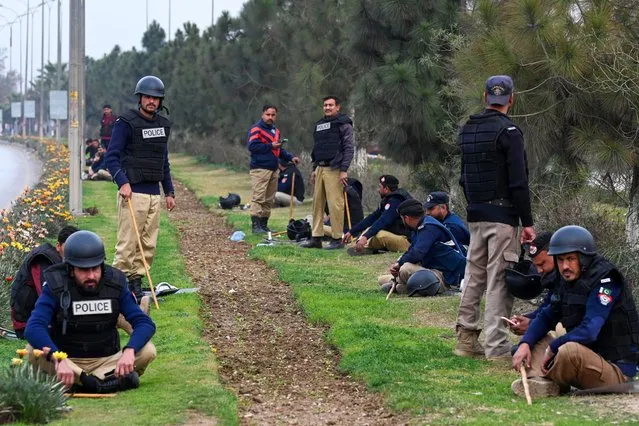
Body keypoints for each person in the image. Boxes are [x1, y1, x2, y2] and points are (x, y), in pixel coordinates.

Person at [454, 75, 536, 361]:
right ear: (511, 98)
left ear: (485, 96)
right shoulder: (510, 131)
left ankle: (465, 340)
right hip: (502, 217)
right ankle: (497, 346)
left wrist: (474, 206)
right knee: (500, 279)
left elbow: (463, 177)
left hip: (475, 214)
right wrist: (527, 222)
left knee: (473, 276)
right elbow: (519, 182)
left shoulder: (468, 129)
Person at [511, 225, 639, 397]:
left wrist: (553, 347)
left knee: (568, 350)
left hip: (616, 370)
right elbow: (547, 316)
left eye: (571, 259)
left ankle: (545, 380)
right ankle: (546, 382)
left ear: (584, 258)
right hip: (587, 359)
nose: (565, 266)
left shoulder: (606, 280)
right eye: (561, 260)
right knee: (534, 341)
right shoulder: (566, 280)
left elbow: (589, 331)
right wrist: (525, 343)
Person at [24, 231, 156, 394]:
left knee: (147, 350)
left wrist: (129, 351)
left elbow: (144, 323)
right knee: (32, 351)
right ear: (71, 269)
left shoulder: (115, 281)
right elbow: (34, 327)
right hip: (67, 360)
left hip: (106, 360)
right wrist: (58, 357)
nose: (91, 275)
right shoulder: (55, 283)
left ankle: (81, 383)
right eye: (84, 270)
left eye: (95, 268)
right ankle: (105, 382)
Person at [105, 75, 176, 302]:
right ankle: (118, 287)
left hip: (154, 193)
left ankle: (136, 285)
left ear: (160, 100)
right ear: (140, 98)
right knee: (127, 243)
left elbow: (163, 162)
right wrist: (122, 182)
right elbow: (112, 157)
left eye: (155, 98)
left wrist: (170, 192)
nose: (151, 101)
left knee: (147, 244)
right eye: (147, 97)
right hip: (132, 192)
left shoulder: (162, 125)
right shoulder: (125, 123)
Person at [378, 199, 466, 296]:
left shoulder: (428, 227)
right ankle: (399, 286)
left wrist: (399, 265)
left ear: (406, 218)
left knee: (405, 269)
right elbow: (411, 251)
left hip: (445, 277)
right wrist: (399, 262)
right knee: (382, 279)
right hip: (431, 269)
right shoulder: (420, 227)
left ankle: (397, 284)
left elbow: (417, 253)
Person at [301, 96, 355, 250]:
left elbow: (349, 148)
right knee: (317, 204)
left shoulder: (343, 124)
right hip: (320, 168)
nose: (327, 107)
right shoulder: (319, 125)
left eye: (331, 105)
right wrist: (314, 169)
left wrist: (344, 170)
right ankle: (316, 238)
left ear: (338, 107)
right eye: (325, 105)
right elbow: (317, 149)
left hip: (335, 169)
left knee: (335, 205)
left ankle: (337, 238)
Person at [10, 225, 79, 338]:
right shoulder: (43, 260)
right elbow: (45, 296)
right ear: (58, 246)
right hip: (28, 323)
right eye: (68, 248)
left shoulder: (63, 261)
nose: (72, 252)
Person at [247, 104, 300, 233]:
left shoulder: (276, 131)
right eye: (268, 114)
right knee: (259, 197)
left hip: (273, 168)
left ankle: (264, 224)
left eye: (273, 115)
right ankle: (256, 225)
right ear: (262, 114)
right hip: (260, 168)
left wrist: (290, 157)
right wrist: (270, 145)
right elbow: (252, 146)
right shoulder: (256, 129)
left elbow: (279, 149)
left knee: (269, 198)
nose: (270, 117)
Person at [343, 175, 412, 255]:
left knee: (380, 235)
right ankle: (364, 246)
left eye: (380, 187)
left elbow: (383, 220)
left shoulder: (396, 200)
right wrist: (352, 231)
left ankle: (365, 248)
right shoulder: (389, 200)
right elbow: (372, 218)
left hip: (407, 241)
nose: (378, 190)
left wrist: (365, 237)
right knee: (372, 230)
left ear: (386, 189)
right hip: (397, 235)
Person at [506, 232, 558, 335]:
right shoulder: (556, 281)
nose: (539, 271)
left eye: (542, 264)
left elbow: (565, 317)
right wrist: (526, 318)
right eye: (536, 266)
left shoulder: (579, 282)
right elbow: (548, 307)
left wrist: (532, 325)